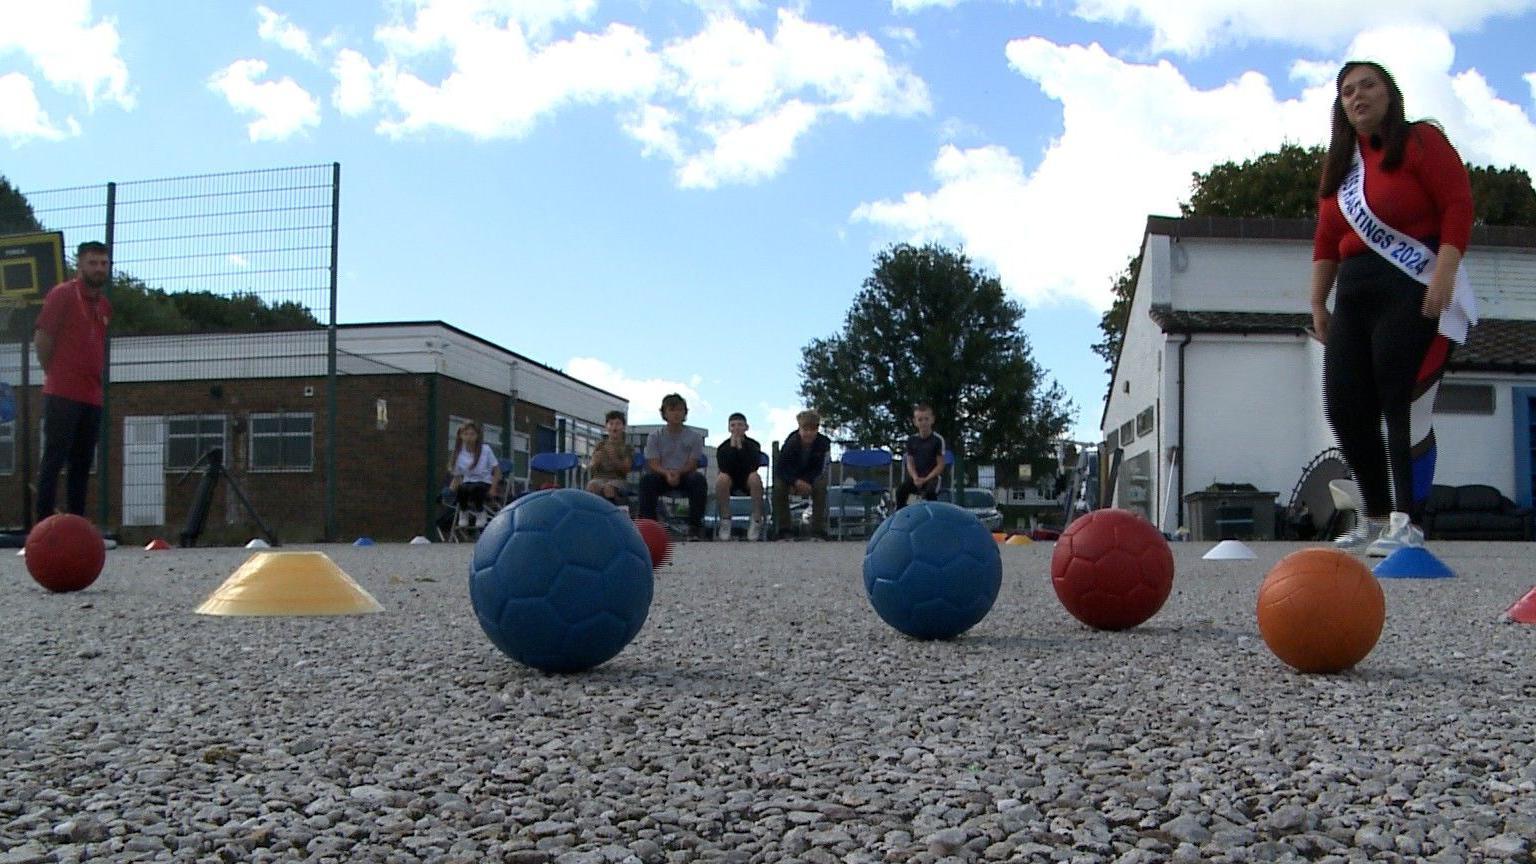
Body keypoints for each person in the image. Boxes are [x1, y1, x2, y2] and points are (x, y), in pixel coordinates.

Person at [1310, 60, 1475, 557]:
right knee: (1344, 404)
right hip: (1355, 291)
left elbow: (1457, 204)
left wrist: (1444, 276)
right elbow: (1326, 238)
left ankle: (1409, 520)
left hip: (1412, 283)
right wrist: (1318, 301)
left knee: (1397, 401)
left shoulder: (1421, 140)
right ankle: (1377, 515)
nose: (1358, 96)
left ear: (1389, 92)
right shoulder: (1341, 166)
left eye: (1368, 86)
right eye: (1347, 92)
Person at [34, 241, 112, 520]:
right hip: (63, 392)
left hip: (91, 395)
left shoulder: (103, 305)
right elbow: (43, 338)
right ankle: (42, 525)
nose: (99, 268)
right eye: (92, 263)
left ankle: (76, 524)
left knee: (82, 463)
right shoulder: (63, 294)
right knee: (54, 458)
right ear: (79, 265)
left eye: (103, 263)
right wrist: (54, 373)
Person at [638, 393, 707, 538]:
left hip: (685, 475)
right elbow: (653, 462)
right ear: (664, 413)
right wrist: (667, 473)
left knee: (699, 480)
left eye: (680, 410)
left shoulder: (695, 437)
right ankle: (649, 527)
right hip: (662, 475)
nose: (676, 414)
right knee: (647, 480)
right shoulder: (654, 437)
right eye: (672, 410)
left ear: (685, 413)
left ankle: (695, 527)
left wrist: (678, 473)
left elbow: (693, 463)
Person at [772, 410, 831, 540]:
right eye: (805, 429)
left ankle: (817, 530)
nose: (809, 433)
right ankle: (784, 529)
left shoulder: (824, 444)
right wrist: (795, 482)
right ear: (799, 428)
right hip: (791, 479)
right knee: (778, 487)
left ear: (817, 429)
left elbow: (820, 468)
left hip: (811, 479)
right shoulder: (790, 443)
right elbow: (781, 469)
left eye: (813, 429)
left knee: (821, 486)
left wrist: (806, 482)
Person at [714, 412, 765, 541]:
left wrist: (740, 449)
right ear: (729, 428)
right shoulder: (722, 448)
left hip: (747, 479)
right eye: (733, 425)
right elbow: (725, 468)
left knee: (755, 477)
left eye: (740, 425)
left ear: (746, 427)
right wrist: (732, 449)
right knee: (721, 478)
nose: (736, 428)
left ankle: (756, 519)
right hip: (730, 481)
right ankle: (725, 520)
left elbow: (753, 466)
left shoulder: (754, 445)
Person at [448, 420, 501, 528]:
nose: (469, 437)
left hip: (484, 482)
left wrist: (493, 489)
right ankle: (463, 512)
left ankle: (480, 512)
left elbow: (497, 471)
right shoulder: (459, 453)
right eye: (466, 434)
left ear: (477, 436)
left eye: (472, 434)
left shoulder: (486, 450)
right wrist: (451, 490)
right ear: (461, 436)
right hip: (467, 483)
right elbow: (457, 476)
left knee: (476, 488)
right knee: (462, 489)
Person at [895, 403, 947, 509]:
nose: (923, 423)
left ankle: (932, 518)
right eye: (920, 420)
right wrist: (915, 478)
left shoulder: (937, 440)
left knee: (930, 493)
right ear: (915, 422)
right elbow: (910, 462)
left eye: (926, 419)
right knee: (900, 491)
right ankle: (900, 515)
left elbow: (940, 465)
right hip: (916, 478)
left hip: (932, 479)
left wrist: (926, 479)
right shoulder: (912, 440)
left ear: (932, 420)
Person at [586, 410, 634, 504]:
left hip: (618, 480)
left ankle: (613, 512)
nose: (614, 427)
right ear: (606, 426)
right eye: (611, 424)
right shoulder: (600, 445)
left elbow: (626, 469)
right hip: (599, 478)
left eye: (617, 424)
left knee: (609, 488)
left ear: (623, 427)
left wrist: (614, 458)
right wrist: (595, 462)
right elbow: (592, 467)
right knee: (592, 485)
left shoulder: (626, 447)